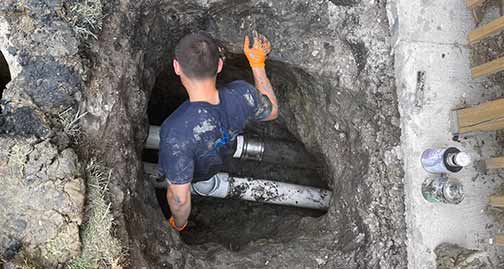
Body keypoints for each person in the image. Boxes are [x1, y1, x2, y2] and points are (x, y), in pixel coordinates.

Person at [158, 32, 278, 231]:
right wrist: (257, 64)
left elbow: (179, 199)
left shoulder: (175, 133)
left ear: (176, 67)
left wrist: (178, 224)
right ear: (220, 66)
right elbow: (271, 111)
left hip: (194, 172)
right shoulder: (242, 94)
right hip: (221, 158)